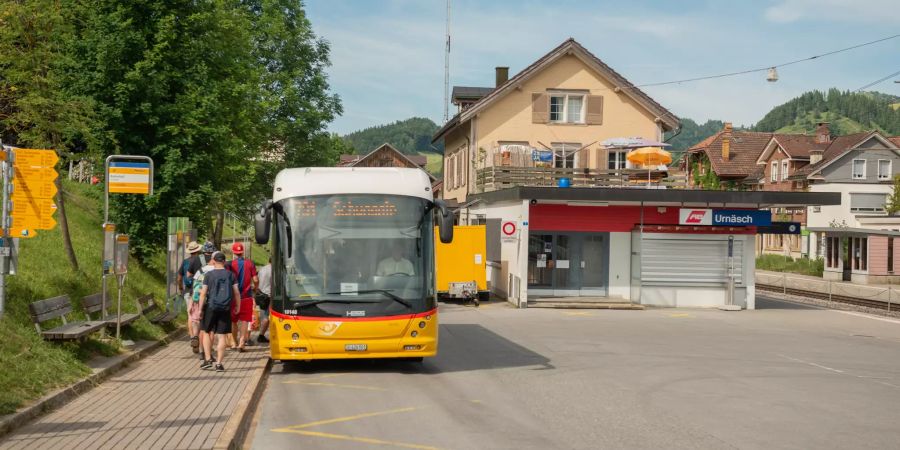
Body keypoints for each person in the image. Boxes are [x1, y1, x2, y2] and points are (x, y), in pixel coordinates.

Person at [199, 251, 241, 372]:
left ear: (213, 261)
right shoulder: (230, 275)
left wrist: (201, 309)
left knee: (207, 332)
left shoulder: (209, 275)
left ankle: (207, 360)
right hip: (225, 308)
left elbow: (203, 293)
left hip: (211, 307)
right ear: (224, 262)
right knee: (222, 336)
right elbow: (237, 292)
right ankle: (219, 363)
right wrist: (238, 306)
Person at [227, 243, 258, 352]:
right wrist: (255, 289)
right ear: (243, 252)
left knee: (233, 321)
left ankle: (234, 342)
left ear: (233, 252)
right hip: (246, 296)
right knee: (245, 320)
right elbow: (255, 280)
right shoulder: (250, 263)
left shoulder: (230, 264)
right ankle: (241, 344)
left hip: (233, 297)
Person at [177, 241, 203, 353]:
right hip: (199, 290)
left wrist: (180, 288)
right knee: (199, 315)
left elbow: (179, 277)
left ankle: (192, 337)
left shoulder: (185, 262)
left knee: (190, 315)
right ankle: (199, 338)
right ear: (198, 250)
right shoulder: (201, 261)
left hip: (188, 290)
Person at [254, 257, 272, 344]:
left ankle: (261, 335)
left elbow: (256, 280)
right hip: (269, 295)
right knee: (266, 317)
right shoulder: (274, 270)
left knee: (263, 315)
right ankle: (261, 335)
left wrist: (257, 290)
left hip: (261, 294)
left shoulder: (262, 269)